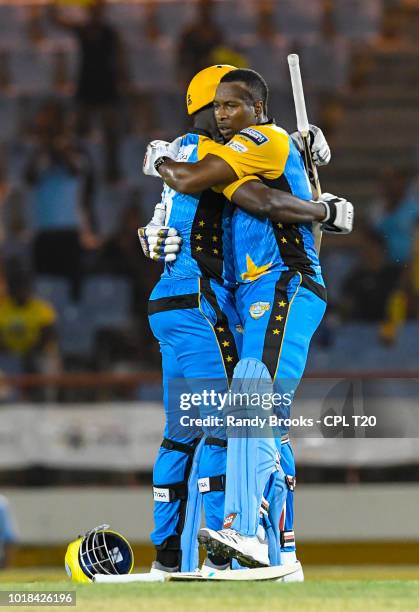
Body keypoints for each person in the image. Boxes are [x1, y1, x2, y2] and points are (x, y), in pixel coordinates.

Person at [144, 68, 353, 570]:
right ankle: (280, 546)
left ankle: (247, 535)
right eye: (216, 107)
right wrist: (317, 207)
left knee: (250, 405)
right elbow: (256, 199)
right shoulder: (236, 158)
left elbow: (194, 177)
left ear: (257, 109)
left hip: (283, 280)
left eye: (231, 106)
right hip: (255, 289)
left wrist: (161, 161)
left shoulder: (261, 139)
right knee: (260, 415)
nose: (220, 115)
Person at [0, 495, 18, 569]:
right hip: (7, 530)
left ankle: (6, 567)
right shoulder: (3, 500)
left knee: (8, 548)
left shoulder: (2, 501)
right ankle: (6, 566)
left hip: (6, 531)